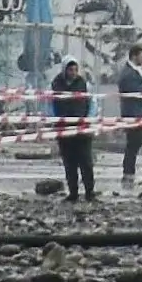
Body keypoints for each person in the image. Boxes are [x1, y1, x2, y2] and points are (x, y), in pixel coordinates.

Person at [50, 58, 96, 202]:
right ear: (65, 70)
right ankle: (73, 193)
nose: (73, 73)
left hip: (82, 129)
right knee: (70, 163)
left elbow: (92, 104)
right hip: (64, 129)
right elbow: (51, 105)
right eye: (70, 70)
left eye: (75, 70)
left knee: (86, 162)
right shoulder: (56, 84)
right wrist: (54, 121)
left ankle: (90, 192)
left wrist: (88, 120)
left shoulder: (84, 84)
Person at [115, 44, 142, 191]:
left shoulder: (136, 71)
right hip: (134, 115)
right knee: (132, 146)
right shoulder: (128, 74)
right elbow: (136, 93)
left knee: (134, 145)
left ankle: (129, 173)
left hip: (140, 115)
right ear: (134, 56)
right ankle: (128, 173)